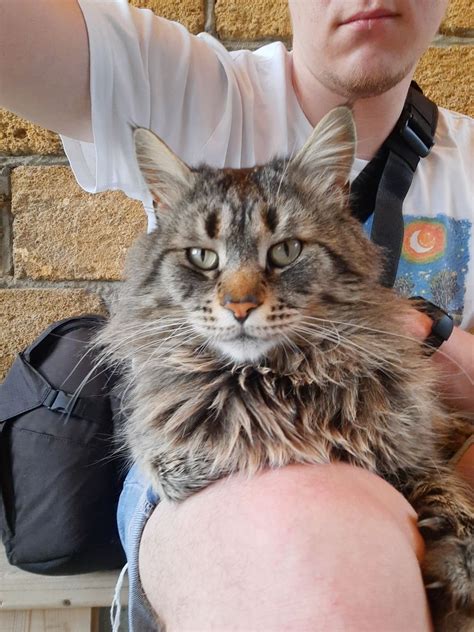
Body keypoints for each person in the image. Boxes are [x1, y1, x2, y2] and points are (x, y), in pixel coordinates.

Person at [1, 1, 473, 630]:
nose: (242, 296)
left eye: (283, 252)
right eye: (202, 256)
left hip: (423, 441)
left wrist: (432, 344)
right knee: (300, 529)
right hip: (204, 456)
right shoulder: (185, 84)